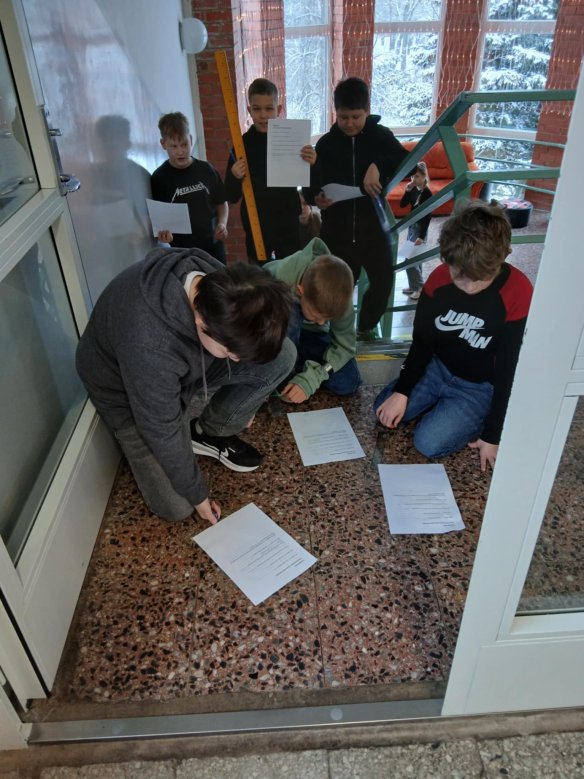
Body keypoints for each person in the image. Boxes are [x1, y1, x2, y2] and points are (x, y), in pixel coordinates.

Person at [76, 247, 295, 526]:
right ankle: (188, 434)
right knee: (178, 507)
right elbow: (161, 428)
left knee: (283, 355)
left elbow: (247, 346)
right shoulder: (150, 343)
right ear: (202, 322)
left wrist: (253, 397)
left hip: (176, 370)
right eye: (229, 353)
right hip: (125, 392)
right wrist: (198, 494)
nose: (235, 360)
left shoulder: (220, 285)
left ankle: (207, 432)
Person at [374, 200, 533, 472]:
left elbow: (508, 369)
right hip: (438, 367)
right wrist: (402, 391)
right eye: (460, 276)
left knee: (427, 443)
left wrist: (493, 435)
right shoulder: (438, 280)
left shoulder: (518, 291)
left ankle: (468, 416)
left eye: (479, 279)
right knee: (382, 410)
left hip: (479, 386)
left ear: (501, 259)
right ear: (447, 260)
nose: (469, 287)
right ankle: (437, 404)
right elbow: (422, 342)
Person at [303, 77, 410, 339]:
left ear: (367, 111)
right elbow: (310, 190)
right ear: (335, 112)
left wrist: (378, 165)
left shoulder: (381, 136)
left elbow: (405, 163)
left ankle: (365, 327)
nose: (349, 123)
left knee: (383, 280)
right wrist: (317, 199)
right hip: (336, 230)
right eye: (343, 117)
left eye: (356, 117)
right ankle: (337, 333)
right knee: (333, 287)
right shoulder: (326, 144)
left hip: (372, 227)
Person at [224, 78, 316, 262]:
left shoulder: (292, 139)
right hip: (256, 222)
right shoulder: (242, 145)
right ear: (249, 110)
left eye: (269, 108)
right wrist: (234, 175)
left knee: (290, 271)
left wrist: (313, 164)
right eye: (257, 109)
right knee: (260, 274)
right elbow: (231, 195)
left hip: (288, 220)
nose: (263, 115)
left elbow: (308, 187)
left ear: (278, 109)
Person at [265, 237, 361, 403]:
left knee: (348, 382)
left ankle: (302, 370)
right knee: (290, 311)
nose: (322, 322)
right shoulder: (279, 277)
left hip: (312, 338)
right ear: (300, 290)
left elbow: (345, 347)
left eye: (328, 318)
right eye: (316, 316)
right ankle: (286, 371)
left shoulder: (341, 299)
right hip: (281, 334)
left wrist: (313, 378)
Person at [151, 112, 228, 263]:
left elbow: (221, 202)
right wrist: (165, 236)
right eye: (174, 146)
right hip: (182, 252)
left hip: (213, 246)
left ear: (191, 139)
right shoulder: (158, 179)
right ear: (163, 144)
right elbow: (161, 221)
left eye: (184, 144)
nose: (180, 151)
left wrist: (222, 223)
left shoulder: (207, 169)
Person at [399, 161, 432, 302]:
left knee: (409, 258)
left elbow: (427, 217)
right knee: (415, 257)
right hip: (412, 226)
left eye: (417, 176)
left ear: (424, 176)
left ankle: (419, 287)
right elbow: (402, 205)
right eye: (412, 176)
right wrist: (407, 190)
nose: (414, 179)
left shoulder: (427, 193)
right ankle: (414, 286)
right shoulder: (413, 189)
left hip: (420, 228)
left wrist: (421, 236)